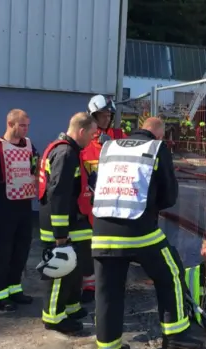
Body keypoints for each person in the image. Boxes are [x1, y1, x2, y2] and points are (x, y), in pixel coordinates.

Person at [91, 117, 204, 349]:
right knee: (171, 271)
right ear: (159, 135)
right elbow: (169, 195)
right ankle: (175, 334)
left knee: (107, 291)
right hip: (138, 231)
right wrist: (151, 206)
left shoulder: (110, 146)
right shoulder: (156, 149)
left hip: (101, 231)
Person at [38, 112, 98, 334]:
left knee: (76, 267)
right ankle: (53, 316)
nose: (93, 139)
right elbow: (59, 195)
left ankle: (71, 306)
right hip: (60, 223)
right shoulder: (65, 153)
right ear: (81, 131)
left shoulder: (69, 150)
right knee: (60, 269)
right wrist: (60, 232)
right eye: (91, 134)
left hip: (74, 220)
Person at [0, 109, 39, 311]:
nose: (26, 129)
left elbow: (36, 168)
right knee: (0, 252)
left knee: (20, 250)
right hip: (2, 205)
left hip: (23, 205)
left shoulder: (29, 146)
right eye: (22, 125)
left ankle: (14, 288)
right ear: (11, 124)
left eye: (27, 125)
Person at [78, 95, 127, 304]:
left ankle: (109, 284)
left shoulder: (118, 135)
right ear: (93, 115)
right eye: (102, 115)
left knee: (112, 247)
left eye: (109, 115)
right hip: (88, 202)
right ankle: (89, 285)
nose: (106, 118)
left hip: (113, 201)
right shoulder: (84, 140)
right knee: (88, 247)